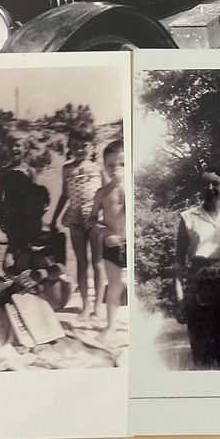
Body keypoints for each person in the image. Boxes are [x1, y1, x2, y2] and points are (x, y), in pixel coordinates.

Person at [174, 167, 220, 368]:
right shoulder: (187, 217)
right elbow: (179, 261)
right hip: (199, 284)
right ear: (199, 189)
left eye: (215, 184)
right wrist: (179, 297)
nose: (210, 188)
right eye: (205, 184)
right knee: (203, 345)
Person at [51, 130, 105, 322]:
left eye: (84, 145)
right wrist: (54, 217)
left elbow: (106, 192)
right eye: (75, 146)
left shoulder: (98, 167)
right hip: (74, 215)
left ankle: (98, 305)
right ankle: (85, 304)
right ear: (70, 148)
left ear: (92, 146)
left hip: (94, 215)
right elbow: (64, 195)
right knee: (82, 262)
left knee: (97, 262)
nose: (79, 149)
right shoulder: (66, 169)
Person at [87, 140, 127, 344]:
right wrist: (104, 232)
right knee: (114, 285)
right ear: (104, 167)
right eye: (110, 165)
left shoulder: (131, 187)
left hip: (130, 242)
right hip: (111, 243)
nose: (116, 169)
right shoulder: (102, 193)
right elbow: (91, 220)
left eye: (122, 164)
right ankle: (110, 325)